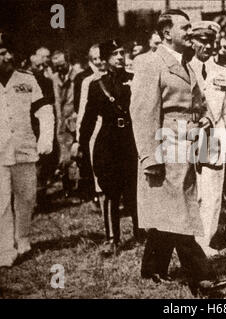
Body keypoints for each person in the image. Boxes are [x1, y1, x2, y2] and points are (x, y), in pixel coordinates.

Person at [130, 9, 226, 296]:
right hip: (165, 150)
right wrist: (149, 157)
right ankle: (202, 277)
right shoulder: (150, 63)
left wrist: (203, 118)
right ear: (166, 33)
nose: (190, 32)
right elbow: (142, 113)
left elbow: (198, 103)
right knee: (181, 214)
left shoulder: (186, 64)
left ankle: (152, 269)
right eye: (184, 27)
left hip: (186, 148)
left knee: (171, 212)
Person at [0, 33, 54, 267]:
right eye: (2, 53)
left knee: (27, 198)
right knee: (0, 202)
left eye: (9, 52)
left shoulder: (26, 79)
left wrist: (46, 138)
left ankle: (22, 238)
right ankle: (5, 250)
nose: (9, 57)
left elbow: (44, 110)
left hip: (24, 149)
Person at [79, 40, 140, 255]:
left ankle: (140, 232)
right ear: (105, 60)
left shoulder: (134, 80)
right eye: (114, 54)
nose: (120, 57)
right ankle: (112, 238)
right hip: (109, 141)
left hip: (131, 138)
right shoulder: (97, 85)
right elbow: (88, 118)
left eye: (121, 52)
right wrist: (81, 143)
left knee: (134, 188)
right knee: (110, 190)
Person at [188, 21, 226, 257]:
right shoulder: (184, 70)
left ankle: (205, 241)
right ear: (192, 42)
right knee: (192, 193)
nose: (208, 46)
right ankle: (189, 241)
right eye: (202, 41)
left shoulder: (224, 73)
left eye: (211, 42)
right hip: (187, 138)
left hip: (214, 139)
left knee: (212, 194)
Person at [26, 53, 60, 210]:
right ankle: (33, 201)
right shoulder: (25, 83)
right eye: (37, 66)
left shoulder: (47, 83)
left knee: (43, 165)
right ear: (30, 66)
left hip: (43, 128)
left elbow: (50, 105)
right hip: (29, 128)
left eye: (43, 66)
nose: (40, 69)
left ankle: (41, 199)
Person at [75, 44, 106, 211]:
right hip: (97, 130)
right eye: (96, 59)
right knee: (99, 175)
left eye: (102, 57)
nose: (100, 62)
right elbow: (83, 111)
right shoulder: (88, 82)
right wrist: (79, 140)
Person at [51, 50, 80, 199]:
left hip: (75, 119)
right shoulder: (54, 78)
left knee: (76, 154)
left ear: (67, 61)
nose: (59, 69)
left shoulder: (77, 75)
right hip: (61, 122)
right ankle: (67, 187)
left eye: (62, 65)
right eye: (56, 66)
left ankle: (79, 186)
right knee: (63, 156)